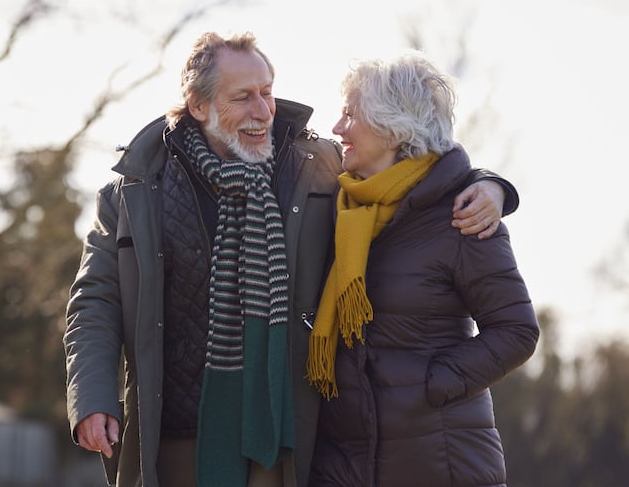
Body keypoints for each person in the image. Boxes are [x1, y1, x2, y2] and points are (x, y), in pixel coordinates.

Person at [63, 32, 517, 487]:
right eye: (243, 97)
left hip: (283, 439)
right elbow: (95, 301)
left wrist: (490, 184)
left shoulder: (317, 167)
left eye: (267, 92)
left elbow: (409, 168)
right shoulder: (134, 192)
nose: (262, 111)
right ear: (199, 106)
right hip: (173, 434)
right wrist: (93, 396)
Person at [306, 51, 540, 487]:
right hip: (347, 463)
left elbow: (517, 331)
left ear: (393, 128)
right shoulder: (341, 206)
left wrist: (430, 384)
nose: (337, 128)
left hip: (440, 461)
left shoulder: (462, 214)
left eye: (349, 115)